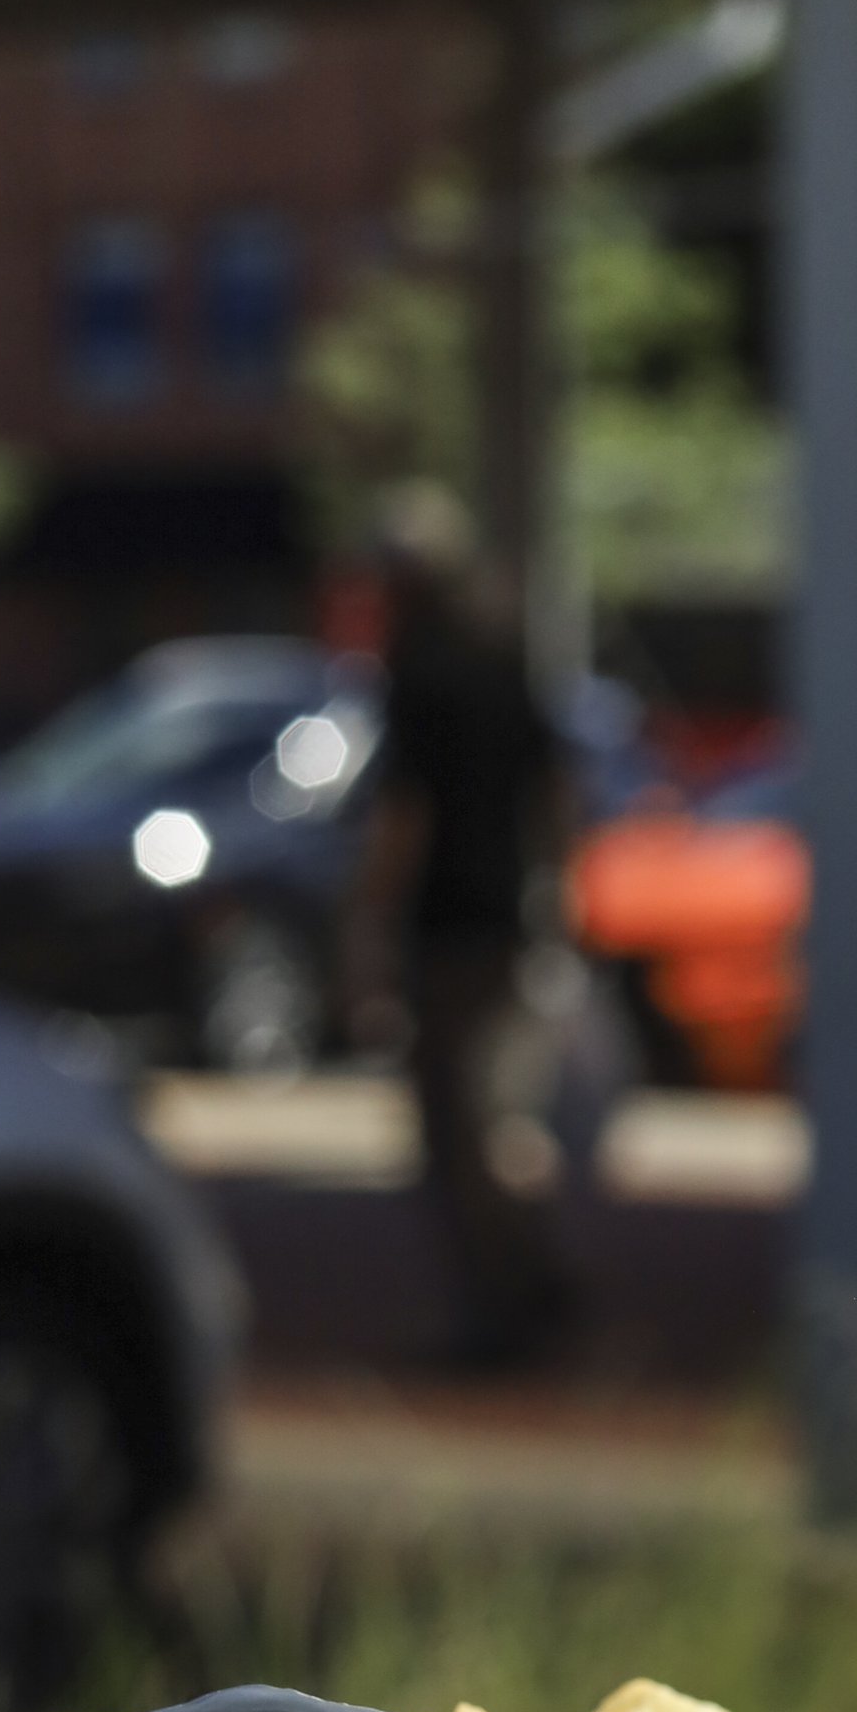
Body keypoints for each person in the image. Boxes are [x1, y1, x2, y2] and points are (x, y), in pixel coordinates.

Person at [366, 486, 567, 1367]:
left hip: (447, 926)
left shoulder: (420, 672)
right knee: (494, 1114)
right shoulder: (501, 661)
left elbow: (403, 818)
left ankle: (504, 1305)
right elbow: (556, 789)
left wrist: (367, 922)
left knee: (455, 1127)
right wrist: (546, 887)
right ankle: (526, 1284)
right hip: (502, 917)